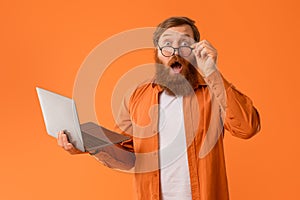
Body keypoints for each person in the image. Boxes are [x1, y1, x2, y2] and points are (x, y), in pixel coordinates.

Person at [57, 16, 261, 200]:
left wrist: (211, 72)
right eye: (167, 45)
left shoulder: (213, 93)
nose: (175, 51)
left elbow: (248, 127)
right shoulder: (136, 96)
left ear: (195, 50)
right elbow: (127, 157)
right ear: (157, 52)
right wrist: (90, 144)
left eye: (184, 44)